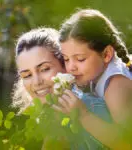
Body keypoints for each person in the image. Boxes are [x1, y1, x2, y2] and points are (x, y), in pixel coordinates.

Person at [12, 27, 111, 149]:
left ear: (65, 66)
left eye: (44, 69)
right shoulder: (46, 119)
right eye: (27, 75)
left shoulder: (93, 109)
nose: (37, 82)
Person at [55, 8, 132, 149]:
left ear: (107, 54)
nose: (71, 67)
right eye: (66, 59)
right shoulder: (94, 75)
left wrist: (83, 115)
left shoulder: (116, 86)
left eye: (80, 59)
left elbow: (127, 143)